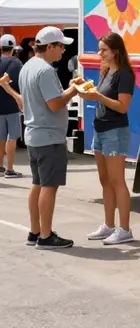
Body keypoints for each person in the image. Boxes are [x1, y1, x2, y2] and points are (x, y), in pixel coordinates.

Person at [18, 27, 77, 249]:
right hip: (49, 135)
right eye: (61, 46)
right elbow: (54, 104)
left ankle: (35, 231)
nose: (63, 50)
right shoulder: (45, 70)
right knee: (49, 187)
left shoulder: (28, 66)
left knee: (38, 184)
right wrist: (73, 90)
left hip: (34, 133)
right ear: (50, 47)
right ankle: (45, 235)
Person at [79, 32, 135, 245]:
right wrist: (86, 92)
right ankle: (109, 225)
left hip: (115, 131)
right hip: (100, 130)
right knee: (105, 180)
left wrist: (97, 96)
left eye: (104, 50)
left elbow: (123, 107)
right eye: (99, 48)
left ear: (116, 52)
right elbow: (102, 99)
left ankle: (125, 229)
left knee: (117, 180)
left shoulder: (125, 74)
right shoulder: (106, 71)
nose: (99, 53)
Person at [0, 33, 24, 178]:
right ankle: (10, 169)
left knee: (1, 137)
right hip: (11, 106)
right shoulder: (16, 63)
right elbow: (5, 80)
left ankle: (0, 167)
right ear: (13, 48)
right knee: (12, 137)